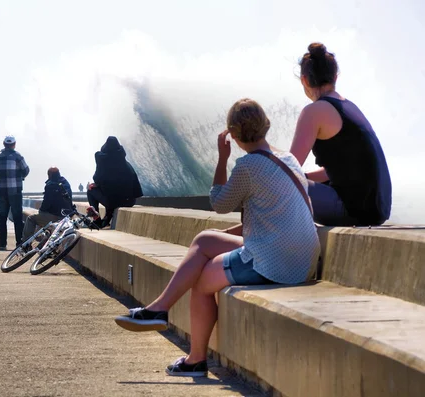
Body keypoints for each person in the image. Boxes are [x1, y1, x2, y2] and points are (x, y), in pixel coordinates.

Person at [114, 99, 320, 377]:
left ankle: (195, 359)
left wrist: (222, 159)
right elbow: (270, 216)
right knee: (205, 239)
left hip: (276, 262)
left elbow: (219, 203)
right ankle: (159, 309)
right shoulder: (288, 159)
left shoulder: (248, 166)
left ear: (233, 135)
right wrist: (223, 237)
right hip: (303, 258)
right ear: (265, 125)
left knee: (201, 282)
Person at [290, 43, 392, 226]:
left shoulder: (314, 111)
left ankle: (248, 243)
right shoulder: (349, 107)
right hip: (377, 210)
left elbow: (286, 170)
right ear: (335, 77)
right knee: (291, 182)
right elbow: (341, 170)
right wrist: (304, 177)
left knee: (280, 185)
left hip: (352, 209)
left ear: (304, 80)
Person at [87, 136, 143, 228]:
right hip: (130, 201)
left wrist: (96, 184)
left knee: (90, 190)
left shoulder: (103, 160)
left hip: (114, 201)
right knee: (111, 192)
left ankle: (96, 220)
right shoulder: (124, 162)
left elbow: (97, 178)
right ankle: (107, 217)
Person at [0, 135, 30, 250]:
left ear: (4, 144)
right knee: (17, 217)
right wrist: (19, 176)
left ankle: (2, 244)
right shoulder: (17, 156)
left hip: (1, 192)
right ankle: (19, 242)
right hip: (15, 191)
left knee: (2, 218)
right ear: (14, 144)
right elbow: (26, 170)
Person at [22, 167, 74, 245]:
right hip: (67, 216)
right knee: (42, 218)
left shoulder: (50, 185)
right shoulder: (65, 183)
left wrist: (41, 211)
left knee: (31, 219)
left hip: (56, 217)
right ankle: (43, 241)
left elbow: (46, 204)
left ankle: (25, 244)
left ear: (49, 175)